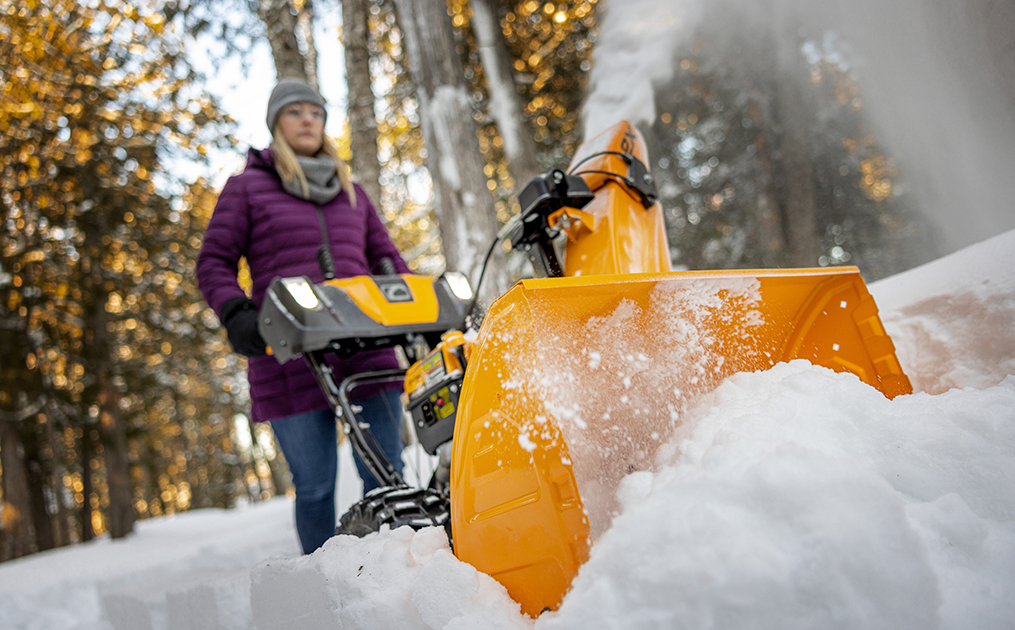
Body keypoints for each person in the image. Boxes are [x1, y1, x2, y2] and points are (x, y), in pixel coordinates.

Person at [197, 78, 408, 554]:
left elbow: (389, 261)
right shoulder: (247, 188)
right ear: (277, 124)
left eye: (315, 111)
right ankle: (324, 583)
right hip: (289, 355)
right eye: (295, 112)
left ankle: (396, 569)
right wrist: (236, 313)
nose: (308, 119)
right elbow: (213, 261)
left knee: (385, 471)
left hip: (366, 349)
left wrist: (425, 307)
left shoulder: (352, 193)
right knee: (314, 484)